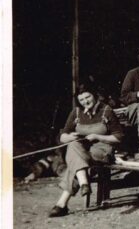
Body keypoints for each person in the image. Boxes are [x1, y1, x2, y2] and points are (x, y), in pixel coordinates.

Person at [49, 84, 123, 217]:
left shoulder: (106, 110)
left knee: (76, 164)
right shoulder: (77, 112)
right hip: (82, 152)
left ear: (95, 95)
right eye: (81, 100)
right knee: (73, 146)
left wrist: (97, 136)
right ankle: (83, 184)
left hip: (102, 150)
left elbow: (118, 137)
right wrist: (70, 137)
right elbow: (63, 136)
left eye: (88, 97)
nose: (85, 101)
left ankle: (62, 203)